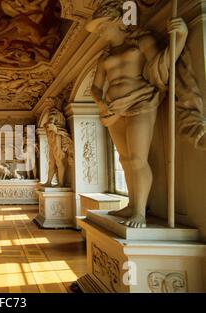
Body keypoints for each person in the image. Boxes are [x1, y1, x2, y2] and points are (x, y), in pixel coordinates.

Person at [86, 0, 188, 227]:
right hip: (113, 108)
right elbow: (94, 87)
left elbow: (161, 65)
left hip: (140, 100)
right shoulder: (104, 56)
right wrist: (100, 102)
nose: (100, 31)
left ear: (117, 22)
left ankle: (140, 212)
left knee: (137, 159)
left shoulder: (142, 41)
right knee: (124, 159)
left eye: (103, 25)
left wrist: (180, 37)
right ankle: (132, 204)